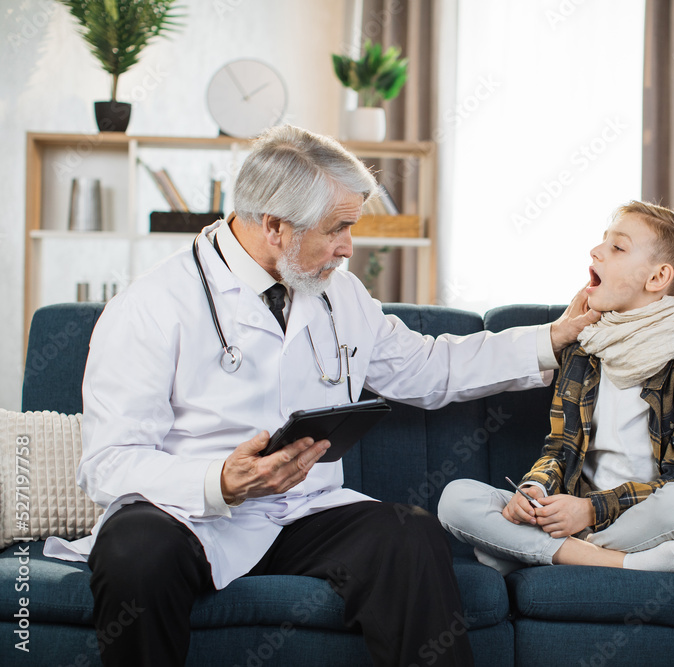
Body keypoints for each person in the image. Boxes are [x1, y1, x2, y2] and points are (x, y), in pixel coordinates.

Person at [42, 124, 599, 667]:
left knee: (408, 536)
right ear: (276, 226)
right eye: (337, 228)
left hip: (300, 513)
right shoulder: (152, 304)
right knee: (135, 551)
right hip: (189, 515)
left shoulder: (339, 293)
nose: (348, 247)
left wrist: (553, 338)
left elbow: (426, 366)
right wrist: (219, 482)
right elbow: (109, 463)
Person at [438, 201, 674, 575]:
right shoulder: (584, 349)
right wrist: (536, 490)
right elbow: (559, 448)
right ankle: (614, 562)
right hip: (570, 513)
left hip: (639, 522)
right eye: (603, 242)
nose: (596, 251)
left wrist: (591, 510)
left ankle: (531, 551)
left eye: (618, 247)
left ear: (657, 278)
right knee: (456, 499)